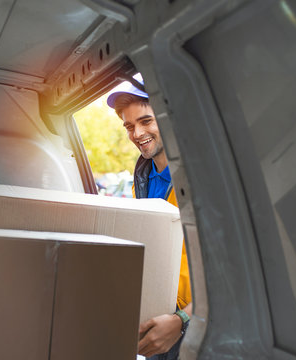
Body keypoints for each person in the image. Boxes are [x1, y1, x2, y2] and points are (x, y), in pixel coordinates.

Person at [107, 80, 192, 360]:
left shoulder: (200, 179)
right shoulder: (141, 178)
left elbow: (233, 267)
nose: (137, 133)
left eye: (146, 121)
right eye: (129, 126)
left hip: (194, 325)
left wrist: (182, 321)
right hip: (155, 320)